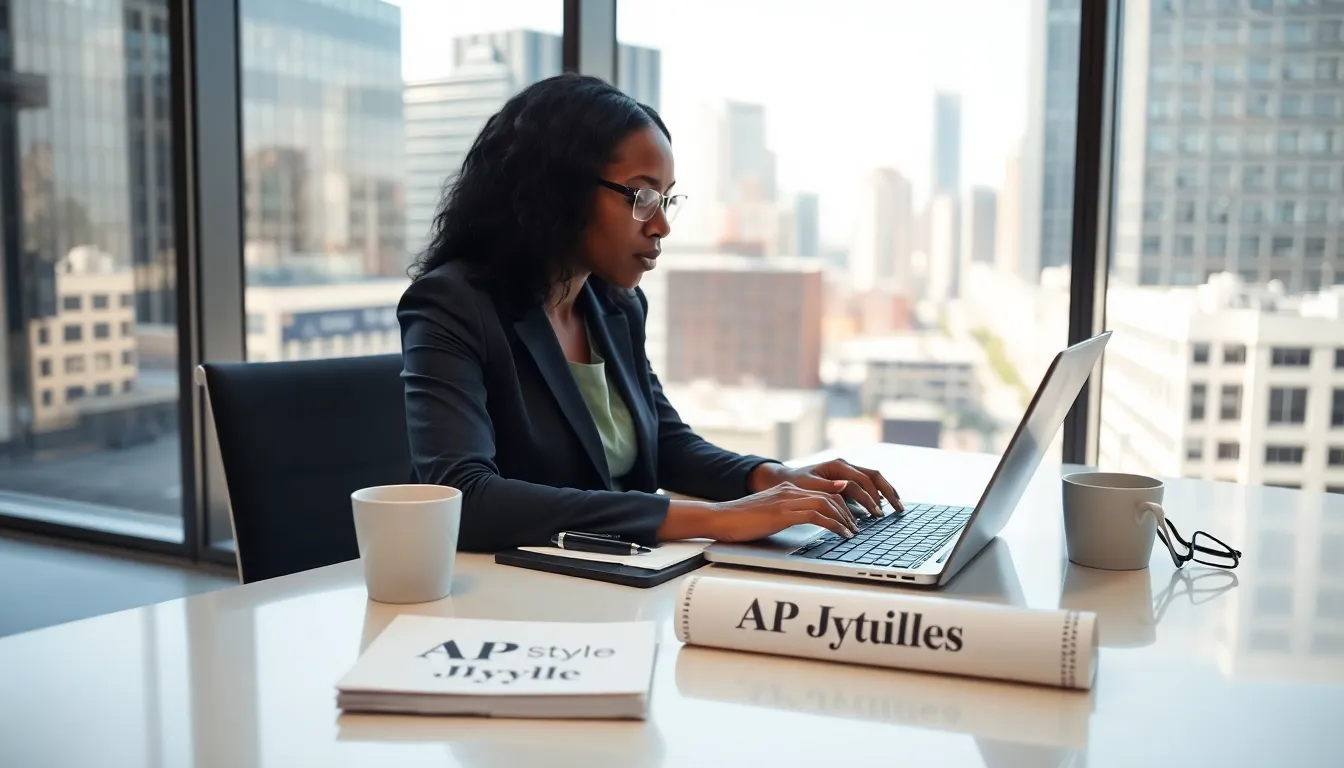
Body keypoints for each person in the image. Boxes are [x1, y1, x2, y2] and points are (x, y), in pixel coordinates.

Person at [399, 73, 902, 552]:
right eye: (641, 196)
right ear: (558, 188)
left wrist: (774, 478)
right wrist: (717, 520)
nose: (661, 224)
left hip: (626, 583)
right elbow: (464, 496)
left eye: (665, 199)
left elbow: (663, 443)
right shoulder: (452, 304)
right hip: (513, 600)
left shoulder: (616, 305)